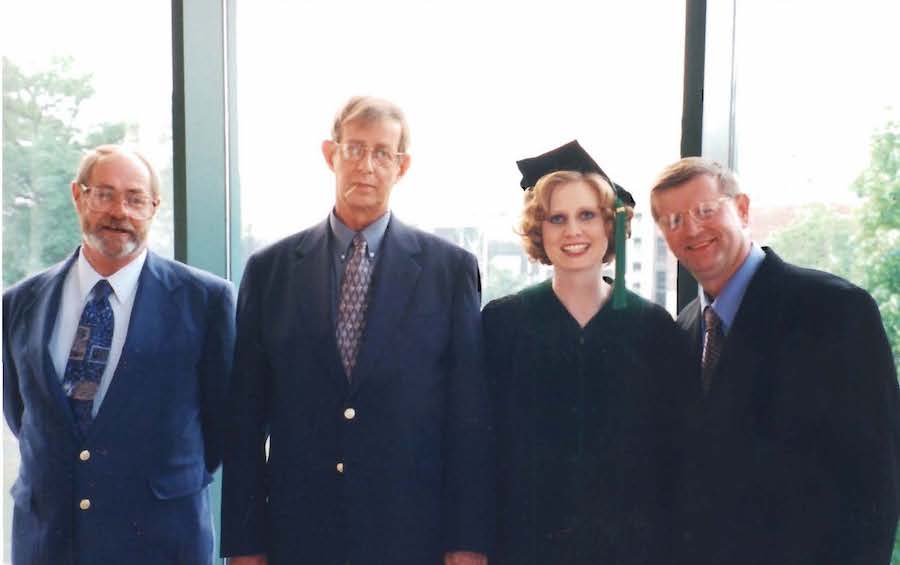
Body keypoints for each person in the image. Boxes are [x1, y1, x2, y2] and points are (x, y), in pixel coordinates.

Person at [221, 96, 492, 565]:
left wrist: (466, 541)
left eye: (382, 153)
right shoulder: (271, 270)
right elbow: (245, 420)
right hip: (300, 534)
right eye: (355, 149)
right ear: (331, 155)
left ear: (401, 166)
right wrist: (245, 545)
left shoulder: (450, 271)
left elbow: (466, 419)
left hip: (411, 533)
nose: (367, 165)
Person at [650, 156, 900, 565]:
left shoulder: (835, 309)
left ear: (743, 209)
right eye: (674, 220)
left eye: (705, 211)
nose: (692, 229)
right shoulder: (681, 332)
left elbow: (876, 480)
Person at [2, 145, 236, 565]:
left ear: (154, 207)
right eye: (104, 194)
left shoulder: (206, 301)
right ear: (78, 196)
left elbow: (222, 427)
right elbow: (22, 414)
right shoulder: (20, 302)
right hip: (48, 541)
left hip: (161, 540)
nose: (119, 211)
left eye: (135, 198)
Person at [482, 141, 692, 565]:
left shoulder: (654, 329)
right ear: (539, 230)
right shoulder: (503, 324)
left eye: (587, 216)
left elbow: (675, 458)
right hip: (524, 546)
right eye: (556, 218)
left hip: (633, 550)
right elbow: (482, 448)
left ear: (611, 224)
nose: (572, 232)